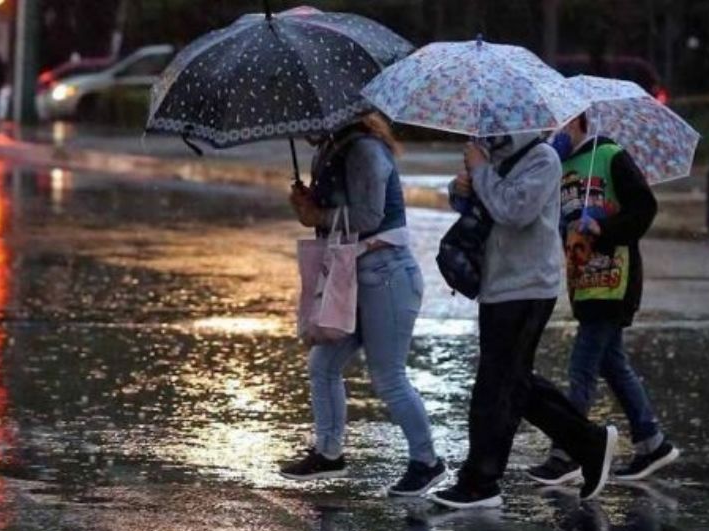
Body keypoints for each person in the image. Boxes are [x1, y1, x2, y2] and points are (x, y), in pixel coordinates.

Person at [428, 133, 618, 510]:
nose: (488, 125)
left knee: (495, 386)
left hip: (528, 285)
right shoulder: (493, 153)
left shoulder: (543, 158)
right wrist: (462, 185)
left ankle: (481, 481)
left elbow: (514, 210)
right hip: (497, 282)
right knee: (512, 382)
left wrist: (481, 171)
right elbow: (475, 204)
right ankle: (590, 443)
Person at [279, 113, 446, 496]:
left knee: (388, 376)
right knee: (322, 365)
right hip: (353, 272)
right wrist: (311, 204)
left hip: (386, 275)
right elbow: (340, 209)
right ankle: (329, 453)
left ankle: (427, 462)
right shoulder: (334, 146)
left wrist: (316, 214)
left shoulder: (364, 149)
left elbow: (369, 215)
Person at [526, 114, 679, 486]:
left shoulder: (611, 156)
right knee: (612, 363)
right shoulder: (557, 166)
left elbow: (644, 207)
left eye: (559, 126)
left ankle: (568, 452)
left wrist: (603, 227)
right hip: (584, 281)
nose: (553, 134)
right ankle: (651, 441)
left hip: (615, 279)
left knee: (582, 367)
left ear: (578, 122)